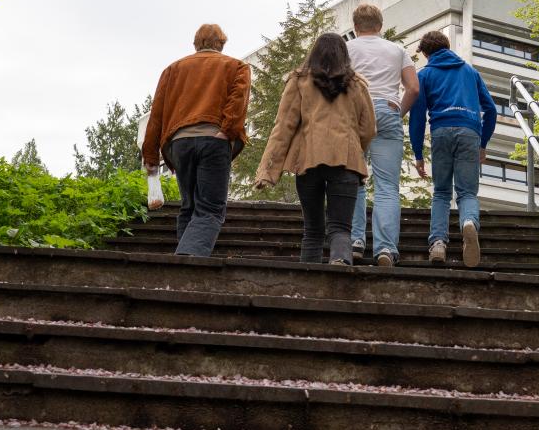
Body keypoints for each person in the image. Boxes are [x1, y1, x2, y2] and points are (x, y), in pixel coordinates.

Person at [255, 33, 376, 265]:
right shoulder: (356, 84)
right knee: (340, 228)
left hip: (308, 161)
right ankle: (340, 262)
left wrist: (267, 171)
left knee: (312, 230)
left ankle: (307, 278)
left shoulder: (299, 81)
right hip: (346, 162)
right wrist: (355, 150)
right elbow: (369, 128)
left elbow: (283, 127)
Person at [141, 23, 250, 258]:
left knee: (189, 207)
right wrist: (227, 132)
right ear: (221, 43)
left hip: (179, 144)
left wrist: (150, 155)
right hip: (214, 140)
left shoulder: (173, 69)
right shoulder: (237, 67)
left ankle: (184, 262)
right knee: (210, 209)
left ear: (195, 44)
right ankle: (186, 262)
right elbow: (238, 102)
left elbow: (156, 114)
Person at [408, 30, 497, 268]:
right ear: (447, 46)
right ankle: (468, 222)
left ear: (426, 53)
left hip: (441, 131)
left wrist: (418, 153)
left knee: (441, 192)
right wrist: (483, 143)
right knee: (467, 193)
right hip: (469, 131)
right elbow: (491, 109)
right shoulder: (470, 71)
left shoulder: (424, 74)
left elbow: (417, 116)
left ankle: (438, 243)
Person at [345, 4, 419, 266]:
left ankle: (355, 241)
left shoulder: (346, 49)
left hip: (354, 114)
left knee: (353, 179)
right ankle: (385, 248)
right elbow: (413, 88)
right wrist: (397, 112)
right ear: (380, 25)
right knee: (387, 186)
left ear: (355, 27)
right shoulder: (397, 50)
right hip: (387, 110)